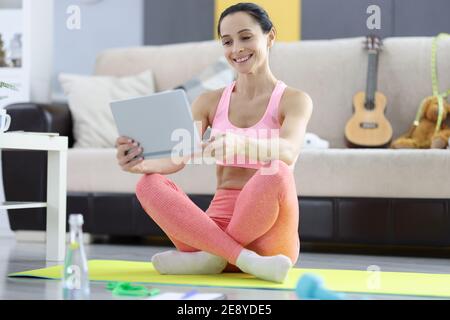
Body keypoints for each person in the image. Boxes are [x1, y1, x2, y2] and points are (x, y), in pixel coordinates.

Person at [115, 2, 313, 283]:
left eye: (246, 37)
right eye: (227, 41)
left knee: (277, 171)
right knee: (148, 184)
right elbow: (178, 156)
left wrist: (241, 144)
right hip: (215, 228)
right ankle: (236, 257)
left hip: (270, 242)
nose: (237, 49)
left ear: (270, 37)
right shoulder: (209, 101)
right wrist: (139, 163)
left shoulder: (295, 100)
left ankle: (212, 257)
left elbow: (289, 151)